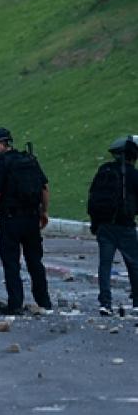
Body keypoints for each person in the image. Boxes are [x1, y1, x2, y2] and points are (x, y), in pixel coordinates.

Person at [0, 126, 52, 315]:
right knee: (35, 262)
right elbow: (45, 189)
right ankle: (44, 302)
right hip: (32, 219)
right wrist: (44, 212)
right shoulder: (30, 160)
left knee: (11, 263)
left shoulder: (1, 165)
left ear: (2, 145)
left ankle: (16, 304)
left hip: (11, 220)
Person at [87, 135, 138, 316]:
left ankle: (105, 303)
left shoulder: (104, 170)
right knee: (134, 264)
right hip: (126, 226)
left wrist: (95, 224)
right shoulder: (133, 174)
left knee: (105, 265)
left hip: (104, 226)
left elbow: (92, 198)